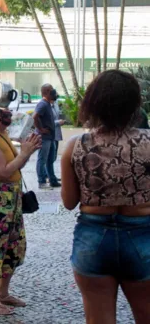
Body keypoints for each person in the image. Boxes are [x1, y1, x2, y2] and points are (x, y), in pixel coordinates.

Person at [62, 70, 150, 324]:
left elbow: (69, 203)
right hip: (143, 235)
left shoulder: (76, 146)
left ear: (93, 103)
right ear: (134, 103)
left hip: (93, 237)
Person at [0, 106, 41, 315]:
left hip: (11, 196)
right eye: (4, 113)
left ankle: (2, 292)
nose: (10, 115)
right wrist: (26, 152)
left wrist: (26, 152)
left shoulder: (1, 134)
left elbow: (15, 165)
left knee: (13, 243)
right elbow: (2, 171)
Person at [33, 84, 60, 189]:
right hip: (44, 138)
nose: (54, 92)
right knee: (42, 159)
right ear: (47, 91)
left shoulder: (48, 104)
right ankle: (42, 182)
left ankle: (52, 180)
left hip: (50, 137)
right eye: (52, 90)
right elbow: (35, 116)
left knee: (50, 159)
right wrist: (40, 129)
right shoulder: (43, 104)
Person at [51, 92, 65, 163]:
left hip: (56, 132)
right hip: (49, 134)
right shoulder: (45, 105)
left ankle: (50, 173)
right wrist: (58, 122)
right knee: (48, 157)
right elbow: (45, 122)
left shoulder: (56, 103)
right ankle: (45, 173)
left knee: (54, 155)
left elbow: (57, 115)